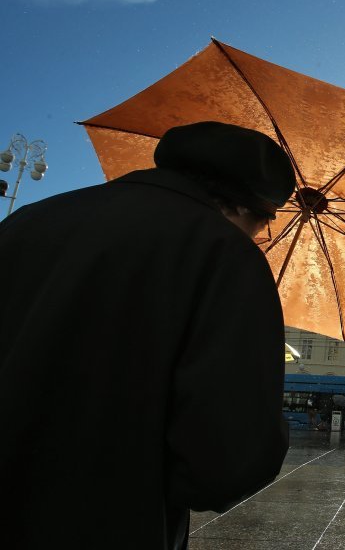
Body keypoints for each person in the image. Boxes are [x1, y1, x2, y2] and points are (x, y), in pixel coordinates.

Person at [0, 121, 295, 550]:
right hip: (104, 523)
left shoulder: (26, 221)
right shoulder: (222, 252)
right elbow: (224, 466)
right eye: (265, 220)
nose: (261, 235)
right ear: (241, 206)